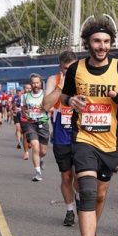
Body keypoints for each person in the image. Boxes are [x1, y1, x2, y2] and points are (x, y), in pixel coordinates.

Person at [61, 17, 118, 236]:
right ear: (88, 43)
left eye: (106, 41)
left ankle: (91, 235)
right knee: (89, 193)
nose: (101, 46)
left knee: (100, 196)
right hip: (83, 139)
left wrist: (114, 95)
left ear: (111, 43)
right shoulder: (77, 68)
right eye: (96, 41)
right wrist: (71, 100)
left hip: (110, 144)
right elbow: (63, 97)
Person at [43, 50, 77, 226]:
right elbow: (46, 105)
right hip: (62, 137)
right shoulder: (53, 80)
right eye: (66, 69)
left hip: (81, 136)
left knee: (81, 176)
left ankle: (79, 198)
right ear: (60, 68)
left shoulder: (83, 79)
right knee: (66, 177)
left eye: (72, 69)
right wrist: (60, 87)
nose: (69, 72)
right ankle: (70, 210)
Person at [20, 73, 50, 182]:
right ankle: (37, 172)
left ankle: (41, 158)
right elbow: (23, 107)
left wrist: (45, 109)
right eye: (33, 83)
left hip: (43, 124)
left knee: (43, 151)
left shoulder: (46, 95)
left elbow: (51, 108)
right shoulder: (25, 96)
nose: (35, 85)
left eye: (37, 82)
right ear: (31, 84)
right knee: (34, 146)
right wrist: (25, 112)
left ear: (40, 83)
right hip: (30, 124)